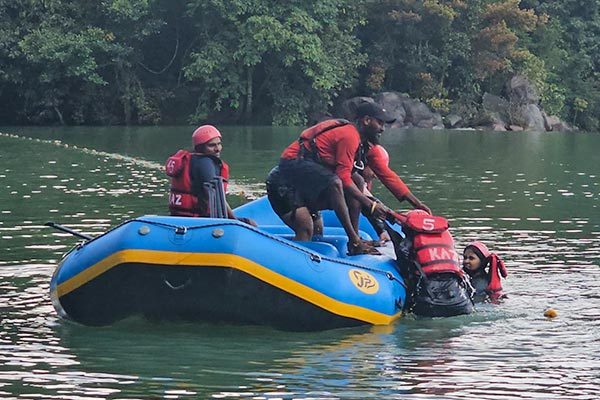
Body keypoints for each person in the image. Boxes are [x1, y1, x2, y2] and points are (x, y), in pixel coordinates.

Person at [266, 102, 396, 255]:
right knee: (306, 227)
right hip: (285, 182)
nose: (374, 174)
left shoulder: (355, 169)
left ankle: (353, 242)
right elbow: (367, 202)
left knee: (318, 231)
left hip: (309, 184)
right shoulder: (349, 149)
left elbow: (366, 202)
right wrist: (378, 229)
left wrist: (383, 229)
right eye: (373, 169)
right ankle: (352, 241)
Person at [165, 125, 256, 226]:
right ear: (200, 147)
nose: (218, 149)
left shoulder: (189, 159)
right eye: (212, 145)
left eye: (219, 144)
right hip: (200, 221)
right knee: (251, 223)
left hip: (178, 218)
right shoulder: (205, 163)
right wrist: (235, 221)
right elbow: (216, 196)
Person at [352, 142, 431, 245]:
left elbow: (390, 179)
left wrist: (417, 204)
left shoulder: (364, 177)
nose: (375, 176)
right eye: (374, 171)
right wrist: (383, 227)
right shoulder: (353, 175)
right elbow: (369, 202)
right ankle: (354, 242)